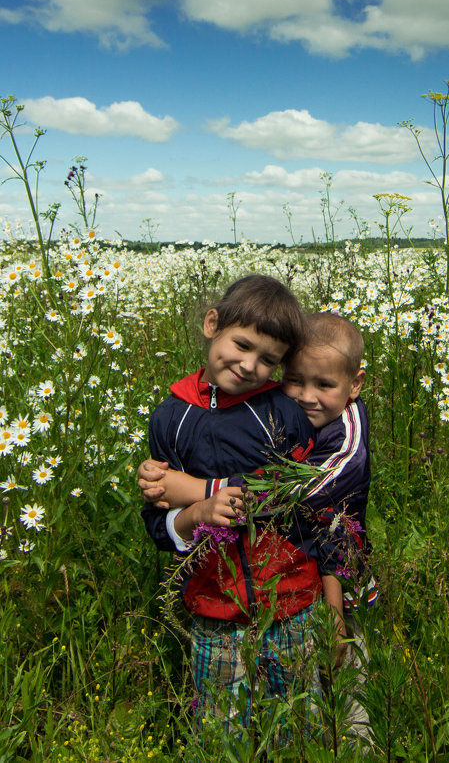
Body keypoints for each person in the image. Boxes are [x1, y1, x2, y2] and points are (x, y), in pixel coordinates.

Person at [141, 310, 376, 735]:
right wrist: (182, 496)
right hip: (282, 590)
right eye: (294, 380)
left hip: (342, 582)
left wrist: (195, 489)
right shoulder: (265, 415)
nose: (306, 396)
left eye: (324, 385)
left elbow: (291, 494)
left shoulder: (349, 433)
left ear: (354, 385)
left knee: (344, 701)